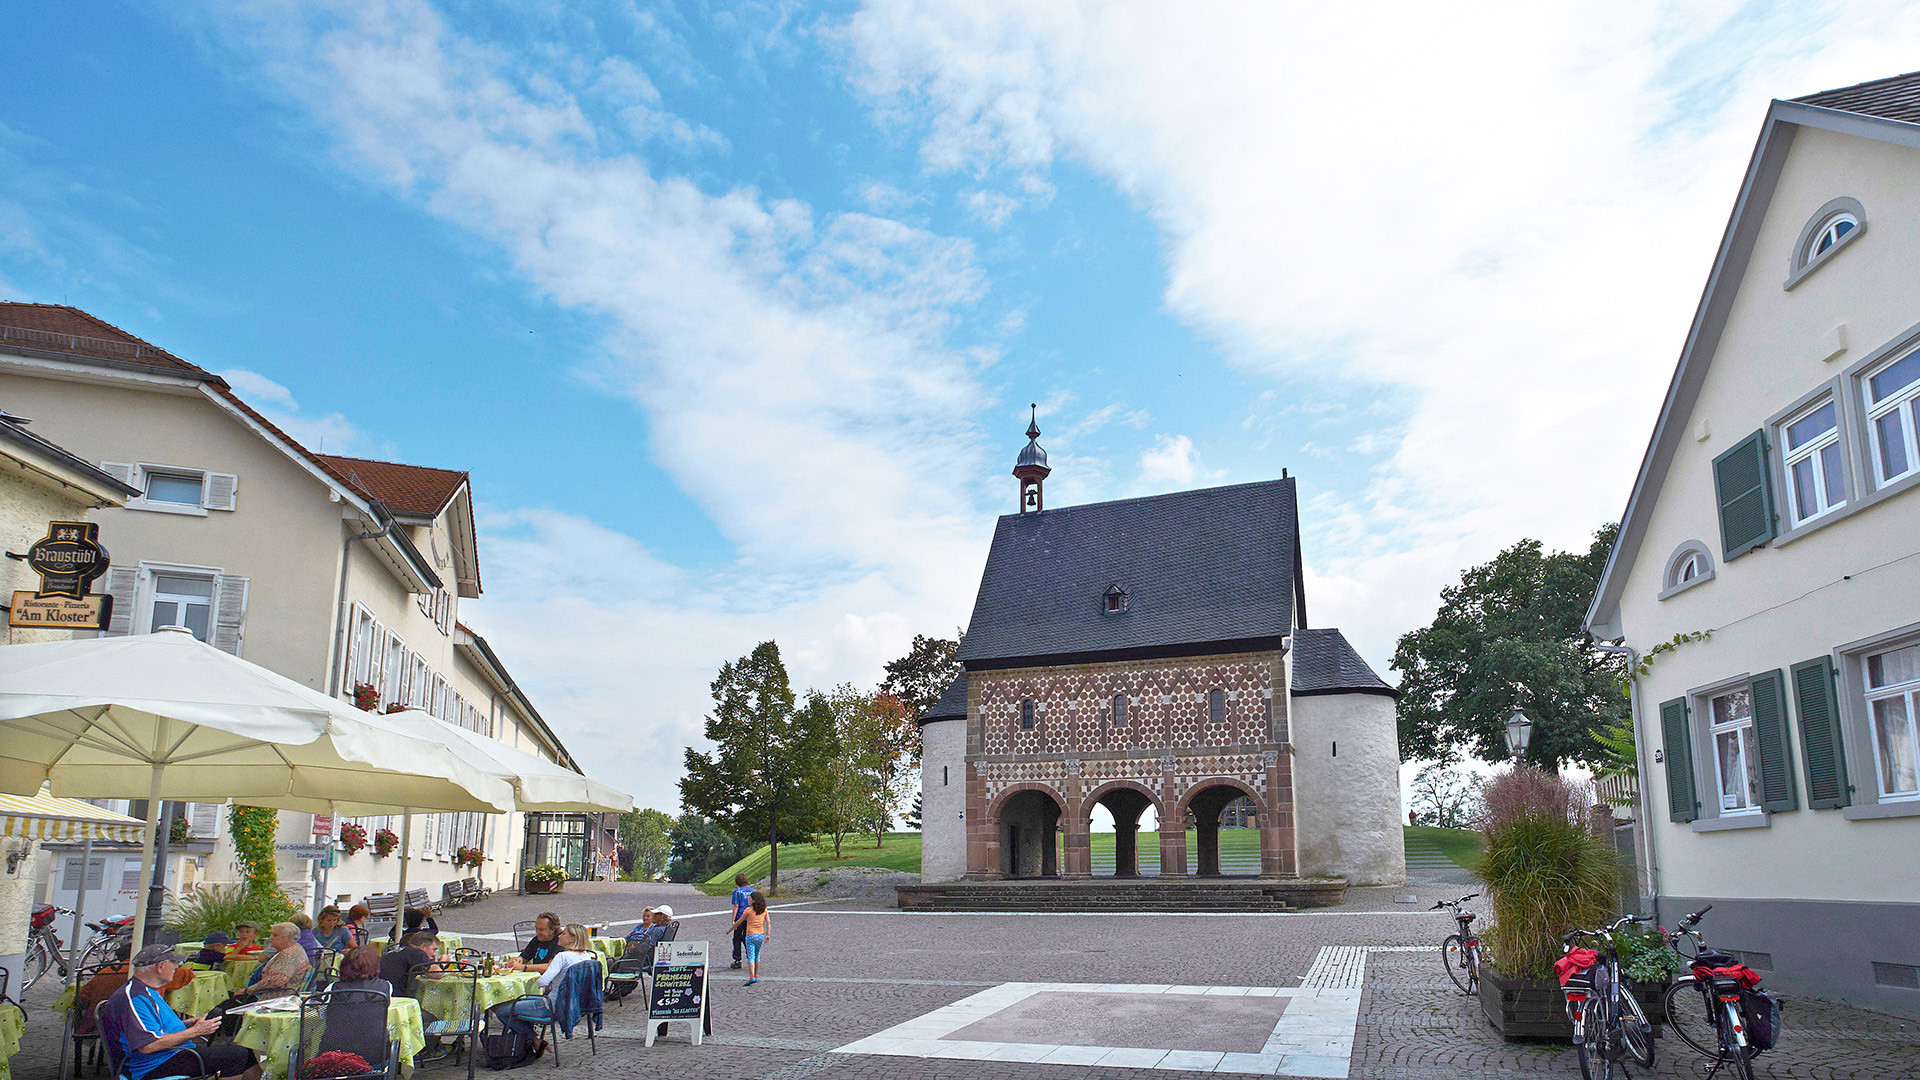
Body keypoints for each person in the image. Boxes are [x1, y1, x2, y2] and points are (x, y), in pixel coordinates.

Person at [97, 944, 262, 1080]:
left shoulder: (145, 991)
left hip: (165, 1055)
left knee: (246, 1054)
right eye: (174, 963)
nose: (178, 967)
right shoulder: (136, 998)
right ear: (160, 966)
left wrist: (186, 1024)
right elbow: (148, 1045)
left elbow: (148, 1028)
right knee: (238, 1055)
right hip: (149, 1066)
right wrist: (195, 1031)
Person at [495, 924, 596, 1057]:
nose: (559, 936)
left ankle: (534, 1039)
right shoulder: (586, 957)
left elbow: (542, 982)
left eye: (564, 934)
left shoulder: (562, 956)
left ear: (572, 939)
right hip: (573, 1006)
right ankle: (529, 1041)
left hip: (552, 1006)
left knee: (502, 1010)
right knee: (520, 1003)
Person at [317, 946, 394, 1065]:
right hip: (376, 1053)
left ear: (344, 966)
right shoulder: (386, 987)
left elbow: (322, 1015)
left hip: (336, 1054)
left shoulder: (333, 989)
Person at [214, 923, 309, 1015]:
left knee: (220, 1010)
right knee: (226, 1001)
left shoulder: (288, 956)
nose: (271, 937)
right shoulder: (292, 950)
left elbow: (276, 981)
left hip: (272, 1000)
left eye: (275, 935)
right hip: (273, 996)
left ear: (288, 937)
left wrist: (247, 990)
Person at [378, 932, 443, 997]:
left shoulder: (398, 951)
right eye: (433, 949)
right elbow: (437, 973)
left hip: (380, 994)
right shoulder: (417, 954)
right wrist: (443, 962)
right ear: (422, 946)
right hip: (400, 997)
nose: (434, 954)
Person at [731, 891, 769, 985]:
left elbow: (739, 921)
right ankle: (756, 975)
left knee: (751, 957)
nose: (748, 899)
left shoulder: (748, 910)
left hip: (750, 935)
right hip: (760, 935)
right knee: (757, 955)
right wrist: (767, 934)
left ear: (754, 901)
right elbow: (768, 922)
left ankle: (751, 976)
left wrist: (731, 929)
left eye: (750, 898)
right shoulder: (764, 910)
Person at [729, 874, 753, 969]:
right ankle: (751, 956)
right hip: (750, 917)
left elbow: (736, 906)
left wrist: (733, 920)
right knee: (748, 938)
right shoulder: (752, 891)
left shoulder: (737, 892)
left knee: (737, 939)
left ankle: (737, 960)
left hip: (740, 917)